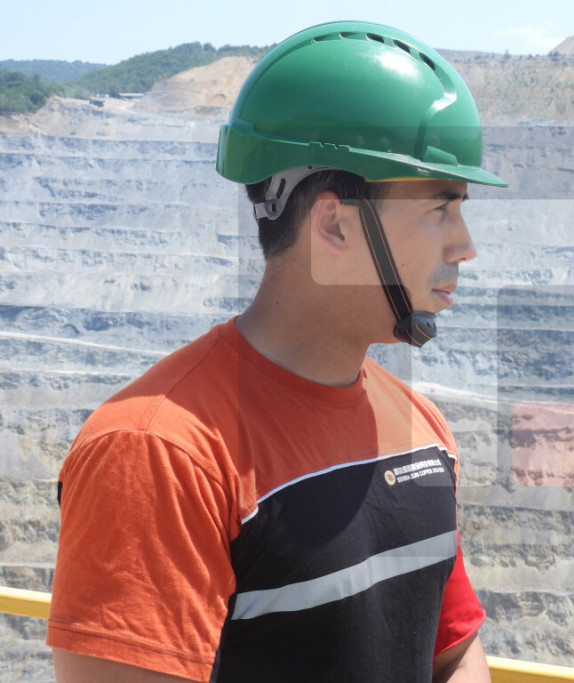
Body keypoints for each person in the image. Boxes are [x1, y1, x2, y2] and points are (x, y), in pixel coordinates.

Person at [46, 21, 507, 682]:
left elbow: (453, 650)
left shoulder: (421, 431)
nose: (465, 246)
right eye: (441, 208)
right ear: (335, 225)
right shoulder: (158, 453)